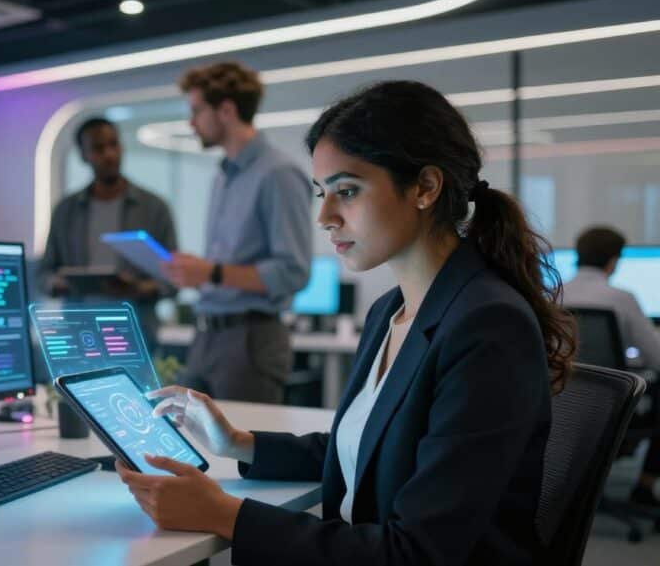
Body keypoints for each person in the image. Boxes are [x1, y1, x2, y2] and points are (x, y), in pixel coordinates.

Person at [116, 80, 577, 565]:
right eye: (322, 193)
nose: (325, 217)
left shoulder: (487, 325)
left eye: (347, 191)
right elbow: (372, 448)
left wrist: (227, 515)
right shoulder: (391, 312)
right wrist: (237, 443)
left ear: (424, 187)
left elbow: (418, 555)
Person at [167, 61, 311, 404]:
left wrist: (210, 272)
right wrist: (199, 272)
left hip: (251, 340)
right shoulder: (222, 176)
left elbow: (293, 272)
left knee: (242, 455)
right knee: (193, 448)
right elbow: (228, 265)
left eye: (197, 110)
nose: (192, 122)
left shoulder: (278, 174)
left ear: (227, 110)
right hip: (207, 334)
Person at [39, 117, 177, 348]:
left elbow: (174, 279)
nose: (109, 154)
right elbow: (43, 273)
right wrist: (58, 283)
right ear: (84, 155)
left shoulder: (154, 208)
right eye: (98, 148)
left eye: (114, 144)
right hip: (81, 335)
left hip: (136, 335)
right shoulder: (66, 211)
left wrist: (138, 288)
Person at [562, 225, 660, 507]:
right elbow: (655, 359)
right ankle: (644, 487)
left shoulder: (553, 292)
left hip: (562, 399)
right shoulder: (621, 298)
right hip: (612, 404)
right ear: (614, 261)